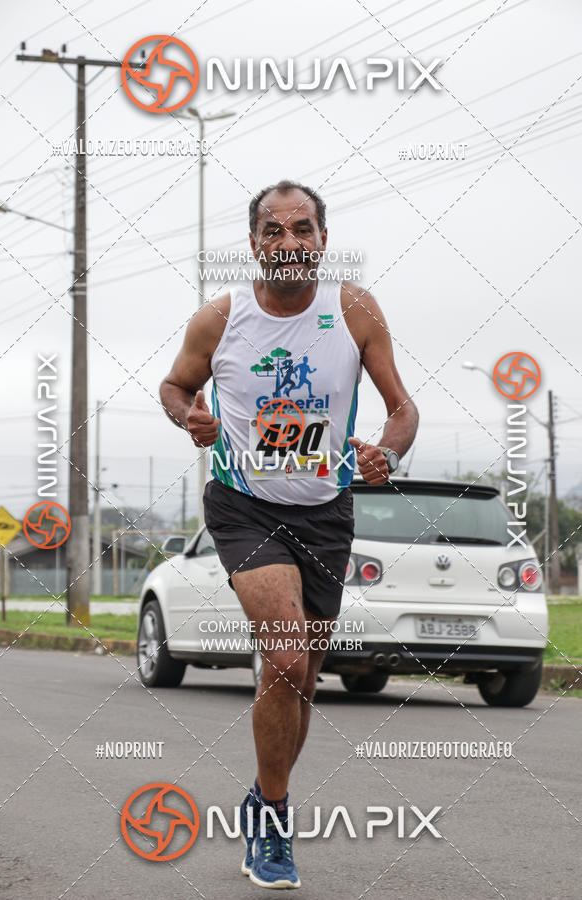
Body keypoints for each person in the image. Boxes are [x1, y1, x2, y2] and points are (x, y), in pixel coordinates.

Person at [159, 179, 419, 889]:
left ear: (323, 241)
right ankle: (274, 820)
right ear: (254, 245)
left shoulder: (354, 310)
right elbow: (175, 386)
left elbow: (402, 409)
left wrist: (386, 455)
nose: (290, 244)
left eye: (302, 230)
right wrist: (191, 418)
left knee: (303, 676)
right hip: (245, 503)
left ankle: (261, 794)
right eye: (274, 232)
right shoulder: (221, 318)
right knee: (283, 653)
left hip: (326, 509)